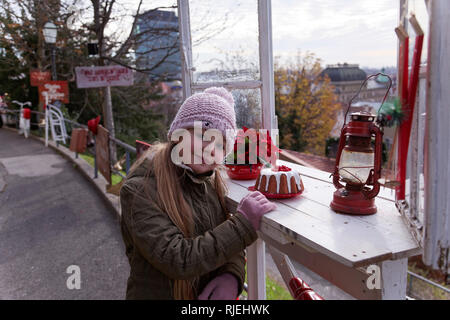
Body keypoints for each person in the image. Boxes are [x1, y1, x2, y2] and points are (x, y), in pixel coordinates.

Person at [119, 87, 277, 300]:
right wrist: (244, 223)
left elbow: (228, 243)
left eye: (221, 144)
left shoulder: (210, 183)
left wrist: (231, 276)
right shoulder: (140, 190)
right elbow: (177, 260)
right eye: (204, 135)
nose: (211, 149)